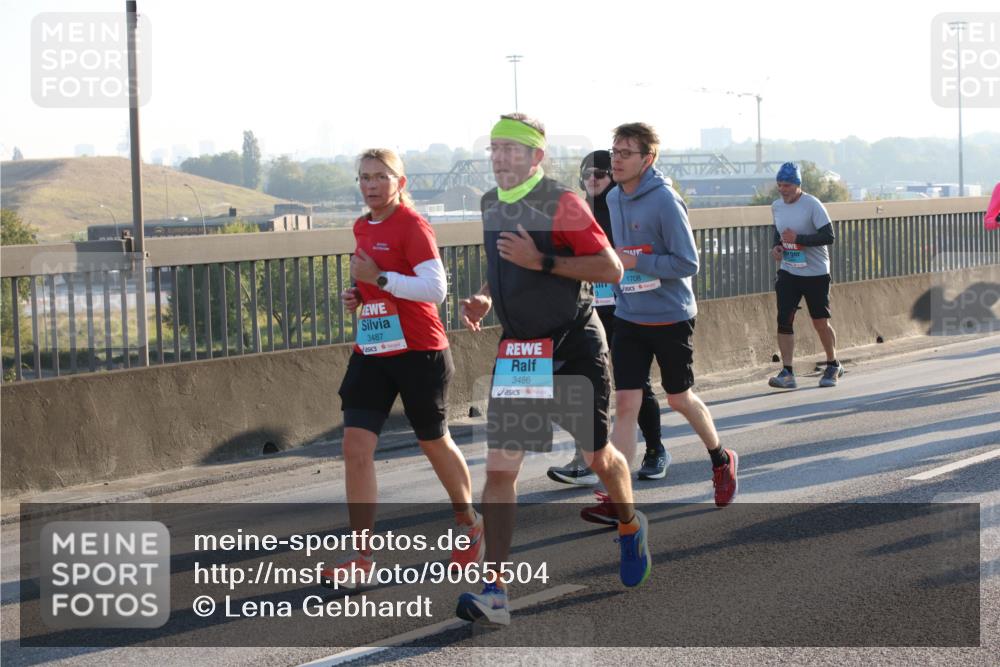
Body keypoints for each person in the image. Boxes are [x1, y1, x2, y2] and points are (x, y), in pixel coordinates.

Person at [455, 114, 650, 626]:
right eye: (495, 148)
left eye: (511, 150)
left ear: (536, 157)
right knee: (500, 471)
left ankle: (629, 525)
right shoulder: (490, 203)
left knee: (599, 457)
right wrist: (483, 295)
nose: (499, 158)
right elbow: (506, 264)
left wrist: (541, 261)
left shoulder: (562, 201)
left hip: (572, 346)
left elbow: (610, 268)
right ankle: (494, 590)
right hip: (521, 353)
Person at [321, 148, 482, 590]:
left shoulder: (412, 225)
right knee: (355, 447)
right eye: (364, 177)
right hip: (373, 348)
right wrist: (358, 294)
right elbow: (372, 279)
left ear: (400, 183)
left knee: (433, 442)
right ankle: (362, 556)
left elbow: (436, 289)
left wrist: (380, 280)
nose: (370, 184)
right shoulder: (361, 225)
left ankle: (468, 522)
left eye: (380, 177)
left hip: (419, 351)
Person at [584, 122, 738, 526]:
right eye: (613, 151)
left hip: (671, 316)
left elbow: (688, 263)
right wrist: (620, 278)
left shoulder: (666, 201)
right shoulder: (615, 197)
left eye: (625, 153)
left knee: (678, 398)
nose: (615, 160)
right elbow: (620, 256)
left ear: (647, 159)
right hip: (630, 316)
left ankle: (721, 459)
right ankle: (616, 498)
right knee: (626, 405)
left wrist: (637, 262)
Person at [548, 150, 670, 492]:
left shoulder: (621, 206)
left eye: (600, 172)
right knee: (574, 384)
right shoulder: (576, 210)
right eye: (586, 172)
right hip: (584, 309)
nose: (592, 178)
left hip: (625, 306)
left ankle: (656, 450)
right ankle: (586, 457)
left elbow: (641, 250)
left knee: (633, 384)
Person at [767, 161, 843, 389]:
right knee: (784, 319)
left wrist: (799, 239)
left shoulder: (812, 204)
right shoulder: (776, 206)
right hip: (789, 271)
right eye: (780, 185)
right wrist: (777, 247)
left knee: (820, 321)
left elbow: (829, 236)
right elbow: (779, 233)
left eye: (787, 185)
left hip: (816, 273)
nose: (783, 189)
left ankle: (832, 364)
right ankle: (787, 372)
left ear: (798, 185)